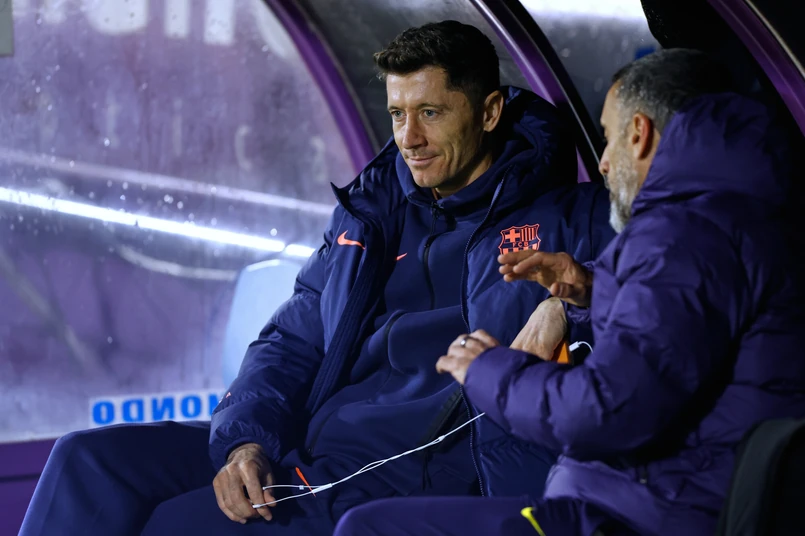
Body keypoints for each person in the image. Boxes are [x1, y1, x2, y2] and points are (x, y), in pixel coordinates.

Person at [19, 21, 613, 536]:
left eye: (431, 113)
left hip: (408, 467)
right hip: (311, 440)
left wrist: (575, 299)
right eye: (398, 115)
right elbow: (292, 339)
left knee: (174, 526)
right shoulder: (370, 215)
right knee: (87, 461)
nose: (408, 139)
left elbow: (657, 281)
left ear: (488, 112)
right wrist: (247, 442)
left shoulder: (571, 218)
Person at [332, 48, 805, 536]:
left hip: (634, 517)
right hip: (650, 500)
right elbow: (683, 325)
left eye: (608, 138)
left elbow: (609, 411)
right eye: (397, 114)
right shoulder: (738, 220)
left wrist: (488, 369)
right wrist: (590, 291)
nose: (603, 163)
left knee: (366, 529)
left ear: (639, 134)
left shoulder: (680, 235)